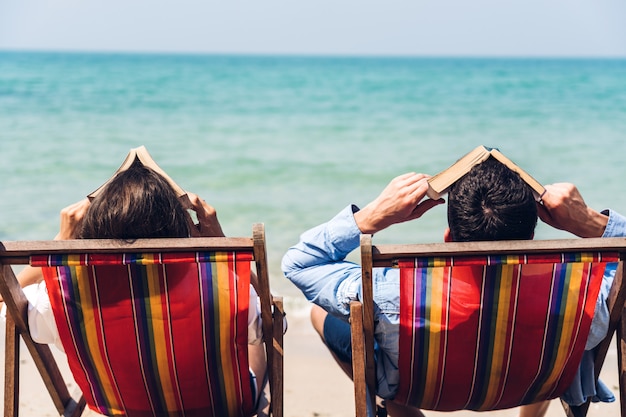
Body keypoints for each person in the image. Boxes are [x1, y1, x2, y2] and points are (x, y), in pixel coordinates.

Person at [282, 158, 626, 417]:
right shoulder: (582, 296)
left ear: (449, 239)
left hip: (422, 391)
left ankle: (401, 408)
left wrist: (372, 217)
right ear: (531, 239)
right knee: (548, 330)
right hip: (535, 383)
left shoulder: (392, 294)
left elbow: (298, 264)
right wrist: (591, 223)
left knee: (323, 314)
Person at [6, 161, 270, 414]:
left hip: (118, 407)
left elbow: (7, 304)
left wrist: (59, 246)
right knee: (254, 336)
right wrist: (220, 244)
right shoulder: (223, 291)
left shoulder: (62, 300)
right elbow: (273, 323)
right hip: (216, 409)